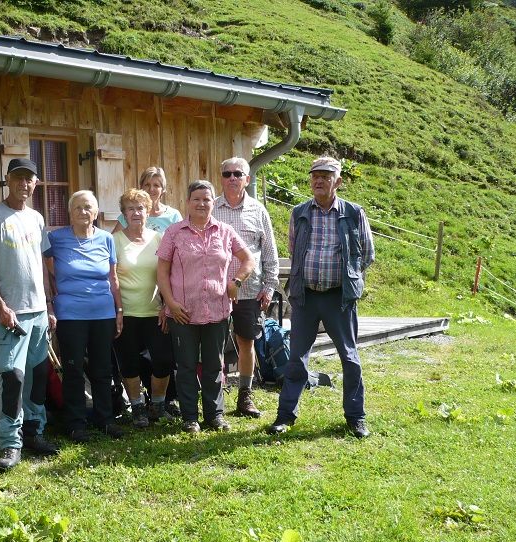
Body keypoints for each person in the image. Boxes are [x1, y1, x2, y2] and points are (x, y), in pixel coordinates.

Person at [268, 156, 375, 438]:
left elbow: (366, 254)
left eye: (326, 177)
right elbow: (295, 252)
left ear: (337, 182)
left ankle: (356, 417)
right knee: (296, 361)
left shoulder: (353, 213)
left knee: (350, 359)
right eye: (315, 176)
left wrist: (349, 278)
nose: (318, 181)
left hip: (339, 299)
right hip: (306, 298)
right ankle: (285, 417)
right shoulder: (300, 212)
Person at [0, 158, 59, 471]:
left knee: (38, 375)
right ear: (8, 180)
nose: (24, 184)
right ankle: (11, 444)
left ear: (35, 184)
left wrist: (49, 306)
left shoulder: (37, 219)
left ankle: (35, 432)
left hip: (38, 312)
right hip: (12, 313)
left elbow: (41, 265)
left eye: (30, 179)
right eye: (18, 178)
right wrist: (1, 307)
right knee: (13, 374)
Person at [157, 180, 255, 433]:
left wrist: (236, 281)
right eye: (197, 199)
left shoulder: (225, 231)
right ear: (188, 203)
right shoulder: (174, 233)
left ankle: (215, 415)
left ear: (214, 202)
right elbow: (162, 272)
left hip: (217, 311)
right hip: (183, 312)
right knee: (186, 366)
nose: (202, 203)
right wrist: (170, 304)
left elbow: (248, 259)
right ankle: (190, 417)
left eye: (207, 199)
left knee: (214, 365)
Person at [45, 191, 125, 442]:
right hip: (70, 314)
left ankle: (105, 419)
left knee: (102, 369)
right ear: (70, 212)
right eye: (77, 207)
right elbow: (46, 273)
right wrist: (50, 304)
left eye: (88, 207)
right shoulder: (55, 239)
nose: (83, 212)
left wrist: (119, 310)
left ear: (96, 211)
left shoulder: (105, 239)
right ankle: (75, 423)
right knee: (73, 369)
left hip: (103, 312)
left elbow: (113, 278)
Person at [213, 157, 279, 418]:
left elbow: (270, 252)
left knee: (246, 344)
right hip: (215, 290)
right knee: (213, 345)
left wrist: (270, 286)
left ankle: (244, 396)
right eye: (227, 173)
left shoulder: (258, 210)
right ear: (221, 178)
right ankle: (215, 398)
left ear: (247, 179)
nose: (232, 178)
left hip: (250, 290)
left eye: (238, 174)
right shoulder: (211, 208)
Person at [113, 188, 173, 428]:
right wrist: (117, 310)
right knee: (129, 362)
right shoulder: (114, 240)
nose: (136, 212)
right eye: (131, 208)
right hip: (125, 313)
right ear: (124, 213)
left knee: (163, 359)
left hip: (154, 312)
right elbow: (111, 279)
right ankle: (137, 407)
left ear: (148, 211)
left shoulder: (159, 239)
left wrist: (166, 304)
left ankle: (157, 405)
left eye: (140, 208)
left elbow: (168, 274)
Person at [112, 167, 182, 234]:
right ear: (141, 187)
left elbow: (182, 242)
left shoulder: (173, 216)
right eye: (147, 185)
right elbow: (112, 241)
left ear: (163, 189)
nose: (151, 189)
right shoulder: (131, 214)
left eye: (156, 185)